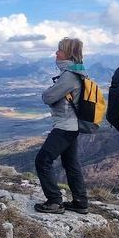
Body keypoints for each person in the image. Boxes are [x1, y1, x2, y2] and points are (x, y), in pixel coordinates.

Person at [34, 37, 90, 215]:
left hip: (65, 126)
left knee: (43, 160)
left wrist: (47, 93)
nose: (56, 53)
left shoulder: (69, 76)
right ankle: (80, 202)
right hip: (71, 126)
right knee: (71, 163)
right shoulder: (78, 73)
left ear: (68, 53)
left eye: (59, 50)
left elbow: (48, 97)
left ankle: (54, 201)